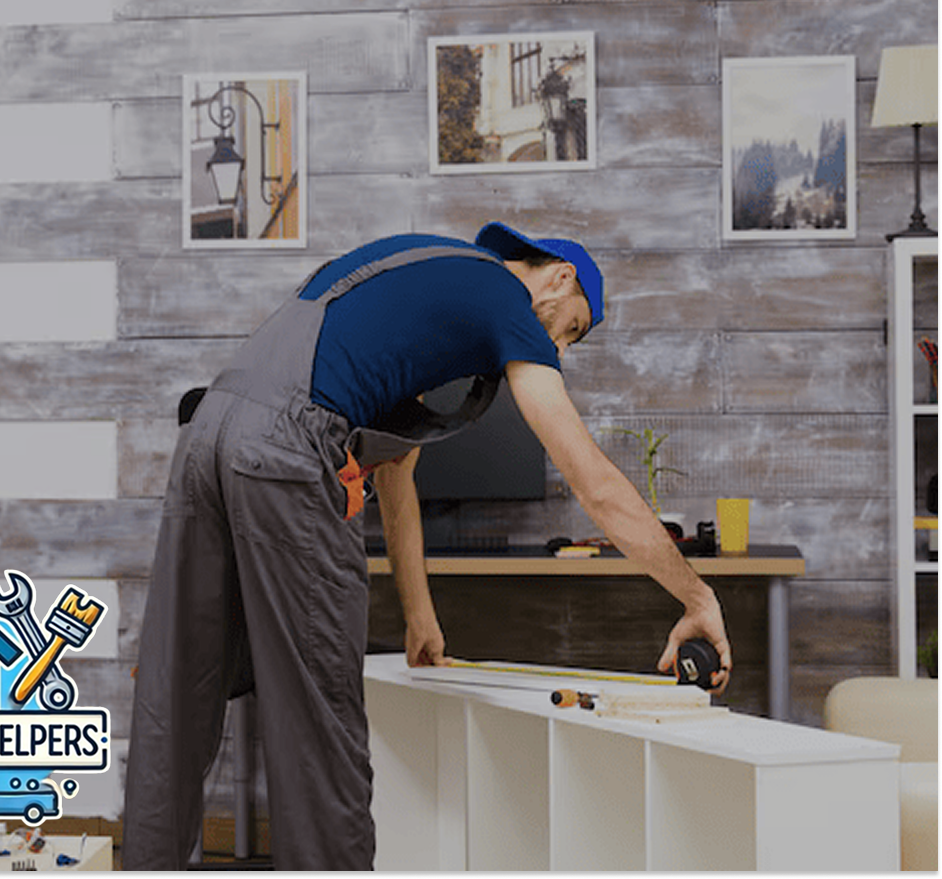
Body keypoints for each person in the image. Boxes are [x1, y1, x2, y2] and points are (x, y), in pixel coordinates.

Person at [122, 223, 732, 871]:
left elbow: (396, 472)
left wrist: (420, 617)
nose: (558, 347)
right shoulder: (507, 302)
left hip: (206, 433)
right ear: (560, 277)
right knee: (320, 729)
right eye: (572, 329)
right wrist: (696, 595)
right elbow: (592, 481)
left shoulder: (425, 272)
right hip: (286, 448)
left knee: (176, 692)